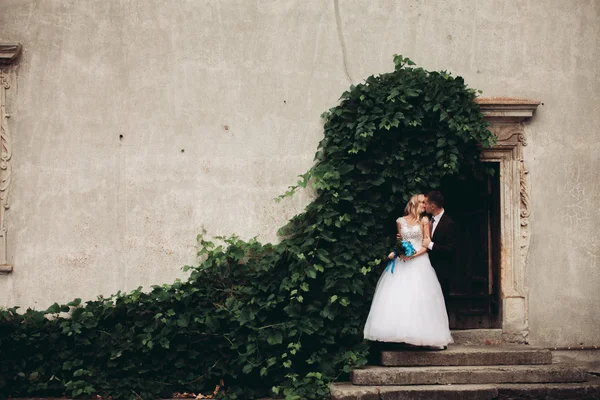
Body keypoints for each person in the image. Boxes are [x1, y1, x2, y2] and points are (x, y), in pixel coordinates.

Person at [363, 194, 453, 349]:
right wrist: (397, 252)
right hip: (402, 262)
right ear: (413, 203)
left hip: (419, 262)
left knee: (420, 297)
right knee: (399, 296)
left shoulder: (425, 221)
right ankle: (399, 336)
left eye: (426, 202)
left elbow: (425, 245)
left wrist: (413, 255)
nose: (425, 205)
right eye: (422, 202)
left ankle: (422, 337)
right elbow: (400, 241)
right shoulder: (400, 221)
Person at [422, 191, 457, 308]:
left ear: (433, 206)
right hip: (426, 267)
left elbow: (451, 248)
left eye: (426, 203)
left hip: (442, 269)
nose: (424, 206)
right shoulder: (427, 220)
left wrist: (430, 245)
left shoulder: (449, 223)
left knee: (441, 300)